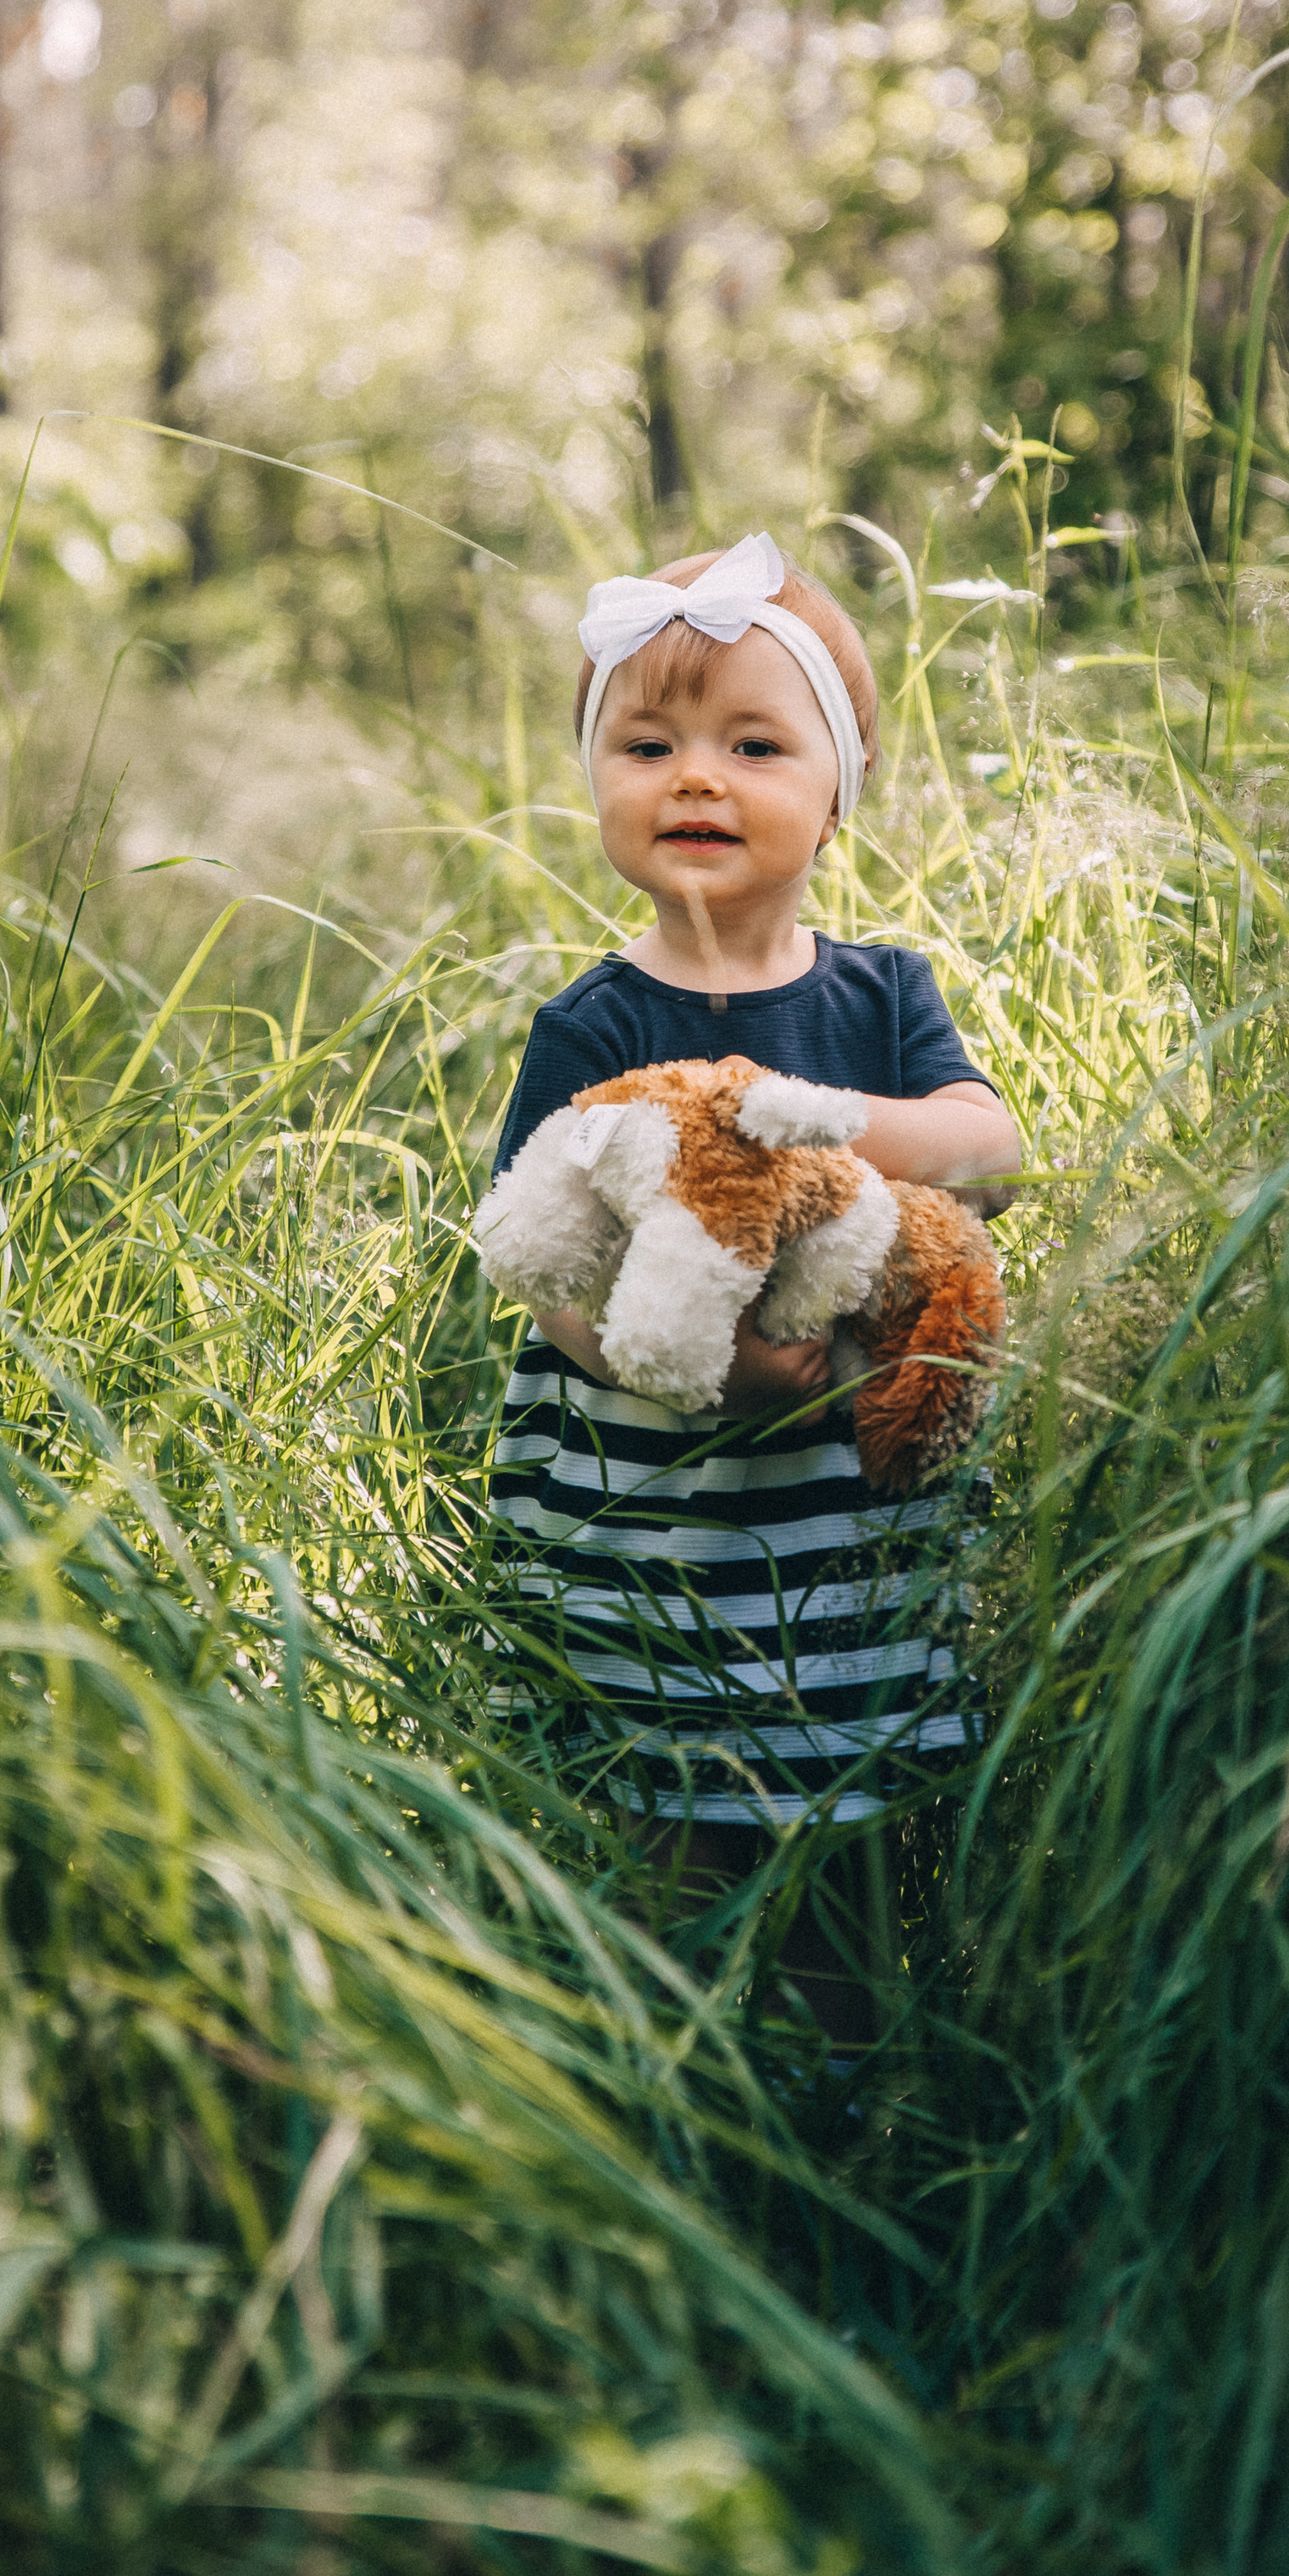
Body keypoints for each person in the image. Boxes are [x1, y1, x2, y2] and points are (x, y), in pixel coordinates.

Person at [484, 533, 1021, 2044]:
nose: (695, 778)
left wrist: (824, 1115)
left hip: (842, 1499)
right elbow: (540, 1260)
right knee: (661, 1825)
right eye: (646, 745)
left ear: (834, 798)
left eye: (751, 745)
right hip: (648, 1494)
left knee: (841, 1818)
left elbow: (994, 1146)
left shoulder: (880, 996)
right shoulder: (593, 1023)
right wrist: (690, 1367)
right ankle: (667, 2068)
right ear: (598, 787)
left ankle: (849, 2076)